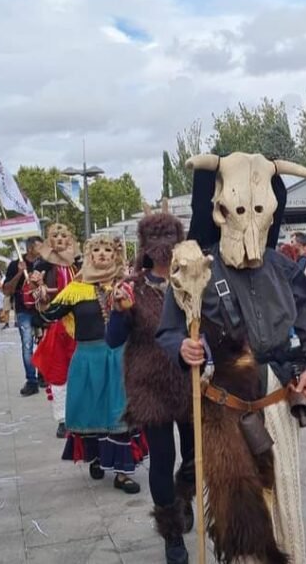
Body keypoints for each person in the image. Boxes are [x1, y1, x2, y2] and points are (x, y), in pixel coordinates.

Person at [156, 153, 306, 563]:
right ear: (219, 210)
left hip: (278, 394)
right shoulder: (195, 269)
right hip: (222, 406)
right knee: (240, 507)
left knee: (283, 491)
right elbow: (168, 331)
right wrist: (182, 347)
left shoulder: (282, 267)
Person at [107, 212, 194, 562]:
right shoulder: (132, 286)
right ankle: (172, 535)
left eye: (169, 246)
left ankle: (182, 497)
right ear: (146, 249)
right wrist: (119, 311)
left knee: (194, 458)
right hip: (149, 385)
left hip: (189, 381)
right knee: (162, 458)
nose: (163, 254)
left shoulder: (191, 282)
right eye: (157, 247)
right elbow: (113, 340)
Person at [38, 234, 143, 495]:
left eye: (108, 249)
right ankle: (96, 457)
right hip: (87, 358)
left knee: (120, 413)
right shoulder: (75, 289)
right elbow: (49, 314)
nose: (103, 254)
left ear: (116, 255)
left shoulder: (126, 286)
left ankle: (122, 472)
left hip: (119, 357)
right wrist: (39, 295)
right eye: (97, 249)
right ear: (89, 255)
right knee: (92, 411)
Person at [26, 224, 82, 436]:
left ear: (70, 239)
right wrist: (37, 287)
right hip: (59, 326)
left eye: (64, 235)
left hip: (83, 325)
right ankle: (62, 418)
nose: (59, 239)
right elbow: (39, 297)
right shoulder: (44, 264)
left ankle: (81, 413)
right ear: (49, 241)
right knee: (59, 372)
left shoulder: (79, 263)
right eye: (55, 236)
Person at [3, 236, 44, 395]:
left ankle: (43, 374)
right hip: (23, 310)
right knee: (27, 344)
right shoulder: (15, 264)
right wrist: (20, 272)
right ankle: (31, 380)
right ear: (30, 248)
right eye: (39, 247)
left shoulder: (44, 264)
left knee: (44, 343)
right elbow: (7, 289)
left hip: (42, 309)